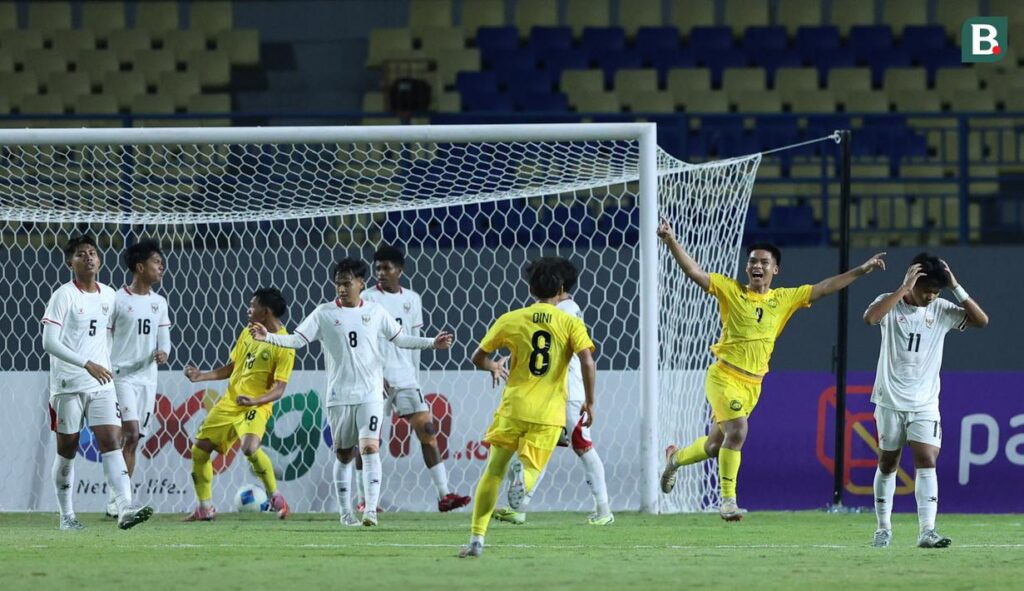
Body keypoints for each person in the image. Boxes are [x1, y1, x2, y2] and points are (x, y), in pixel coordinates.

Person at [657, 217, 886, 520]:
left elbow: (825, 287)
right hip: (724, 375)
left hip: (753, 384)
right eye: (752, 261)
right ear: (747, 268)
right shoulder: (730, 290)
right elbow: (693, 271)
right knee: (738, 430)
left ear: (775, 270)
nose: (757, 266)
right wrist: (671, 240)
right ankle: (727, 501)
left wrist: (861, 269)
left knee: (715, 445)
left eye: (764, 262)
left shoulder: (785, 298)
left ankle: (675, 460)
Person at [250, 258, 453, 527]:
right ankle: (346, 513)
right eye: (338, 284)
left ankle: (370, 510)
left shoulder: (376, 311)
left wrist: (432, 343)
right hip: (338, 396)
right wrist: (269, 337)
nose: (342, 289)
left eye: (347, 283)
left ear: (361, 283)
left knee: (370, 448)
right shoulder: (324, 313)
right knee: (344, 455)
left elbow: (400, 338)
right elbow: (297, 340)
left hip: (370, 394)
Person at [459, 256, 596, 558]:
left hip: (514, 407)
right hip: (548, 413)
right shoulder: (570, 322)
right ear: (561, 288)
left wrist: (494, 366)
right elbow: (587, 359)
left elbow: (477, 357)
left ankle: (477, 540)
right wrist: (589, 400)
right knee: (531, 468)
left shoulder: (511, 319)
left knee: (493, 471)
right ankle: (524, 478)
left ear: (531, 288)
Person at [864, 254, 988, 549]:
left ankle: (927, 531)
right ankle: (883, 528)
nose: (932, 296)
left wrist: (956, 286)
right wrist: (902, 288)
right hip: (890, 400)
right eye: (927, 290)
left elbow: (982, 321)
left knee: (927, 459)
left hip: (924, 403)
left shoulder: (943, 309)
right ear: (914, 284)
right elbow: (870, 318)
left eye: (937, 291)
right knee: (888, 462)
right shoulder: (890, 303)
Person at [42, 234, 153, 530]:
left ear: (99, 259)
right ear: (70, 262)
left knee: (113, 441)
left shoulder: (109, 296)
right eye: (81, 254)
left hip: (102, 382)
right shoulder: (63, 296)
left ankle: (125, 508)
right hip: (68, 384)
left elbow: (118, 333)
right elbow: (48, 342)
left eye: (92, 252)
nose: (89, 257)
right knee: (68, 448)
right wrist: (86, 363)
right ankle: (67, 516)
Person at [493, 258, 612, 526]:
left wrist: (590, 402)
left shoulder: (566, 311)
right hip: (553, 392)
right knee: (541, 448)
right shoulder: (563, 309)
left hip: (569, 393)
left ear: (557, 286)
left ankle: (604, 509)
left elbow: (554, 346)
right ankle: (520, 506)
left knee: (582, 446)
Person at [361, 244, 471, 512]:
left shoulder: (413, 298)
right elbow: (363, 342)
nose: (381, 273)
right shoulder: (367, 298)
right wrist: (373, 375)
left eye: (387, 268)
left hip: (406, 377)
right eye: (378, 268)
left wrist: (415, 377)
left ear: (400, 270)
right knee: (367, 440)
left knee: (427, 430)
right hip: (377, 379)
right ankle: (365, 501)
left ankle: (443, 495)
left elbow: (412, 341)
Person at [183, 288, 295, 521]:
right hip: (230, 403)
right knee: (200, 449)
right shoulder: (247, 333)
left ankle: (276, 497)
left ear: (265, 311)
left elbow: (279, 388)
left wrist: (255, 400)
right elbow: (232, 367)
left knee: (249, 448)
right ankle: (205, 508)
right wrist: (201, 376)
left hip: (256, 405)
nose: (248, 309)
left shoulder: (284, 344)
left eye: (252, 305)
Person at [105, 239, 172, 518]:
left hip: (147, 379)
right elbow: (105, 338)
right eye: (157, 262)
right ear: (140, 267)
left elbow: (165, 342)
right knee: (130, 432)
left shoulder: (159, 303)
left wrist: (163, 354)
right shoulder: (116, 299)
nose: (162, 268)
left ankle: (116, 500)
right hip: (121, 377)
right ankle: (123, 502)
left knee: (133, 441)